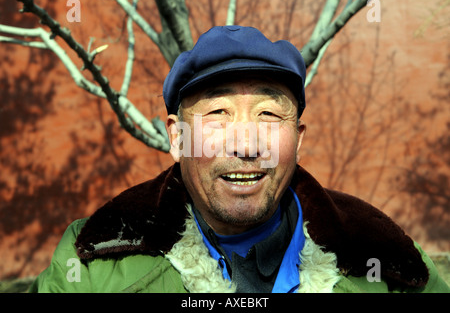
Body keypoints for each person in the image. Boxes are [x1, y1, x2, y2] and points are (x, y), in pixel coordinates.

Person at [30, 26, 449, 293]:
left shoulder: (390, 262)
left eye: (268, 116)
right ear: (177, 138)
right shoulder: (92, 261)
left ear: (298, 139)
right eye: (217, 115)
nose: (246, 145)